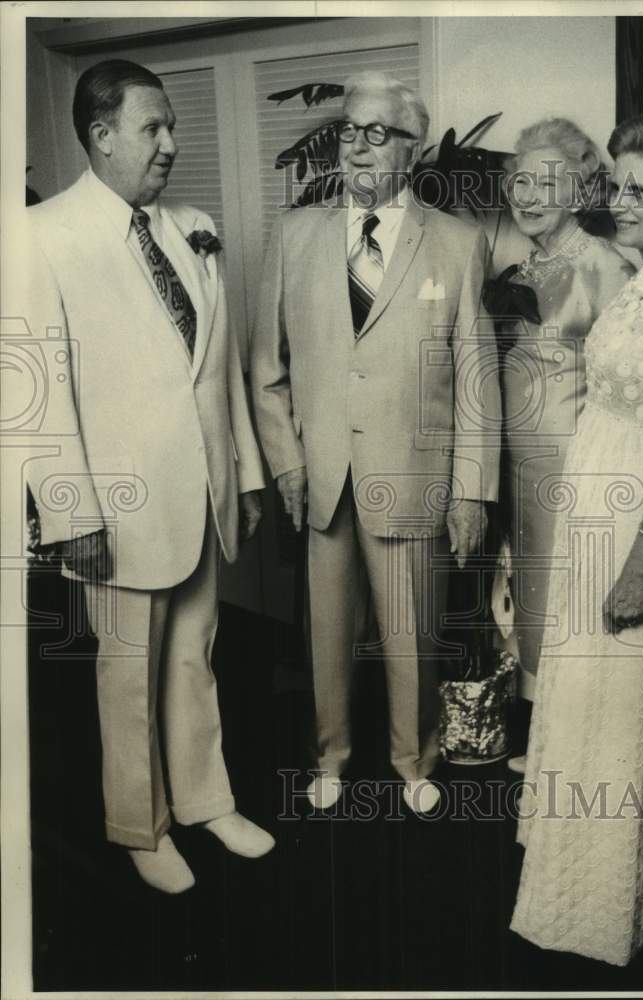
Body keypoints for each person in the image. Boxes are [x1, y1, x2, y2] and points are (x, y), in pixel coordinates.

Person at [22, 60, 274, 893]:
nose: (172, 143)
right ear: (100, 136)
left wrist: (244, 469)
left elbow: (220, 369)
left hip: (202, 492)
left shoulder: (191, 225)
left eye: (172, 126)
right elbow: (34, 387)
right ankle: (140, 825)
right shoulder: (38, 235)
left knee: (196, 655)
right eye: (152, 128)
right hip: (114, 507)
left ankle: (206, 800)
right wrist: (70, 513)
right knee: (127, 673)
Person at [510, 114, 643, 965]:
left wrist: (638, 569)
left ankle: (613, 893)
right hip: (595, 504)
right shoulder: (639, 278)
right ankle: (577, 859)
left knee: (627, 697)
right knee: (591, 694)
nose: (623, 200)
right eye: (622, 184)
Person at [251, 71, 500, 814]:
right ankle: (330, 756)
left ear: (412, 148)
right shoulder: (294, 235)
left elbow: (474, 380)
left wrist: (471, 489)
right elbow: (267, 366)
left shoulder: (457, 244)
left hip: (413, 476)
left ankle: (414, 761)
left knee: (410, 639)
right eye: (350, 130)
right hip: (324, 474)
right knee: (326, 637)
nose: (357, 146)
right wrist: (287, 462)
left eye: (376, 132)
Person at [482, 119, 633, 767]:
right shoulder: (519, 267)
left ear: (578, 191)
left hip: (576, 469)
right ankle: (549, 742)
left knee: (572, 599)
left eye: (548, 182)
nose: (529, 194)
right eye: (520, 180)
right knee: (531, 596)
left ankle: (579, 753)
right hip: (517, 467)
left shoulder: (604, 266)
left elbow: (633, 387)